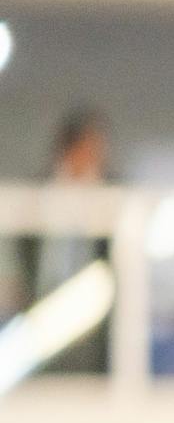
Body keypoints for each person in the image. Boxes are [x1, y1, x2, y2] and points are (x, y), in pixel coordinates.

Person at [21, 109, 112, 377]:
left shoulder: (110, 193)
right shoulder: (37, 193)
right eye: (88, 147)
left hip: (91, 306)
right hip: (45, 299)